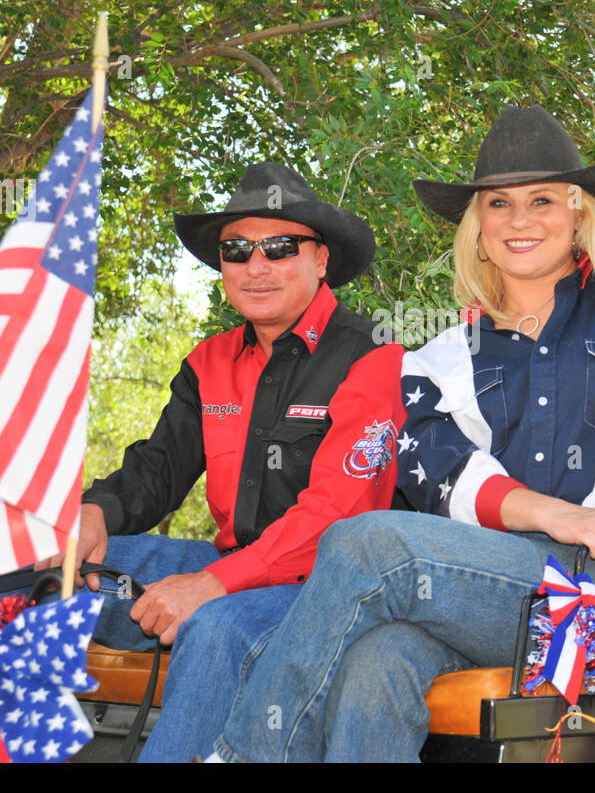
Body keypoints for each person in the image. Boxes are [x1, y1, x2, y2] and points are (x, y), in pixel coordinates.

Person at [209, 105, 595, 762]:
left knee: (364, 543)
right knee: (377, 662)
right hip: (492, 590)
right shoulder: (438, 359)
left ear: (580, 212)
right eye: (499, 203)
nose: (520, 220)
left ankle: (243, 756)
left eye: (542, 199)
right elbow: (439, 477)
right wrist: (557, 513)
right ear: (478, 225)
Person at [47, 162, 404, 761]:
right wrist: (94, 511)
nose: (255, 266)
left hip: (330, 590)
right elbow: (157, 469)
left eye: (280, 246)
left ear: (322, 259)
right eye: (236, 250)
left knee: (215, 626)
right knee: (40, 576)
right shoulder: (208, 361)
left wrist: (212, 586)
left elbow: (335, 517)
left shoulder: (375, 355)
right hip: (229, 563)